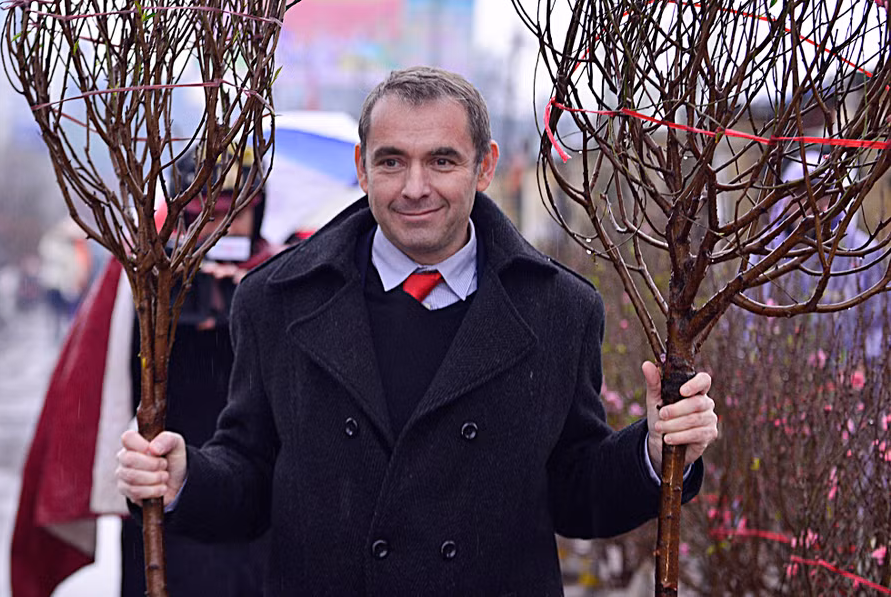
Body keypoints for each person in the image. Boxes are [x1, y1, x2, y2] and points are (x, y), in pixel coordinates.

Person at [117, 67, 718, 596]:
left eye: (442, 160)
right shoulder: (274, 301)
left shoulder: (559, 309)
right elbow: (251, 477)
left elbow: (574, 490)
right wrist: (185, 477)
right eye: (392, 160)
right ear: (362, 167)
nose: (414, 188)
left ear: (483, 166)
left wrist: (654, 452)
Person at [120, 148, 277, 597]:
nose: (219, 228)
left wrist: (244, 298)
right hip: (164, 499)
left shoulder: (280, 283)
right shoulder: (145, 283)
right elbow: (116, 384)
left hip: (249, 504)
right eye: (203, 213)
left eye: (235, 213)